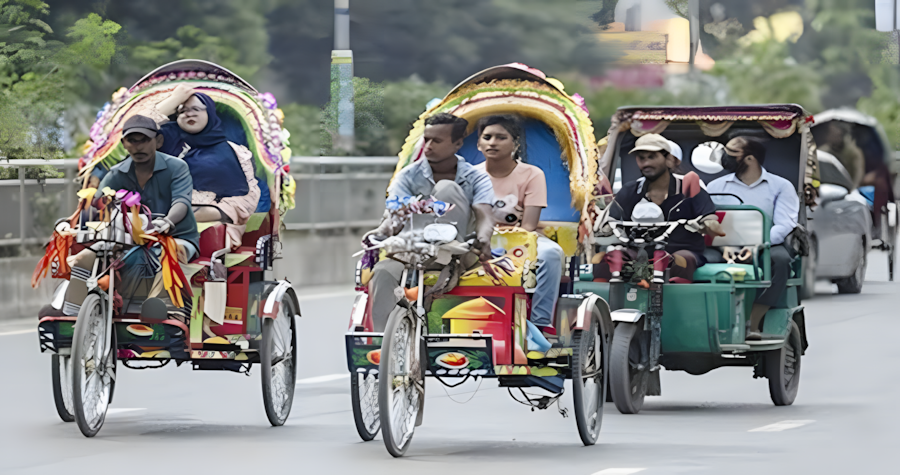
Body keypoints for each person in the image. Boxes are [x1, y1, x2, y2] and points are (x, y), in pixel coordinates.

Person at [366, 113, 496, 332]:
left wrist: (483, 238)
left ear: (457, 143)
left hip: (458, 251)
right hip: (411, 252)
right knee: (383, 272)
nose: (429, 146)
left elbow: (484, 214)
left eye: (437, 141)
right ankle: (383, 344)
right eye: (426, 139)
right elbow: (394, 215)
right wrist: (379, 233)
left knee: (447, 188)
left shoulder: (476, 177)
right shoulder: (408, 176)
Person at [472, 114, 564, 338]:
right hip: (479, 239)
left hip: (520, 238)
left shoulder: (532, 174)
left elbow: (528, 226)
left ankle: (540, 325)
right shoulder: (470, 174)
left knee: (551, 254)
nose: (493, 142)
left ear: (515, 143)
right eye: (488, 137)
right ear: (479, 143)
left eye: (501, 137)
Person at [707, 136, 800, 341]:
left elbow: (784, 224)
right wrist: (724, 246)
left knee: (782, 261)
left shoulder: (781, 186)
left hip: (765, 243)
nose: (725, 158)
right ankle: (709, 320)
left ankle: (754, 320)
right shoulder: (715, 186)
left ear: (749, 159)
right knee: (699, 259)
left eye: (732, 153)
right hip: (723, 244)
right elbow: (707, 221)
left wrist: (757, 244)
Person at [600, 134, 724, 283]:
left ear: (669, 160)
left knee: (682, 260)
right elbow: (611, 218)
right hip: (639, 251)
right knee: (606, 259)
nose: (646, 163)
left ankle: (676, 304)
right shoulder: (630, 190)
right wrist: (601, 225)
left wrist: (709, 223)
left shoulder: (689, 187)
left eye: (652, 157)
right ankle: (607, 303)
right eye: (641, 158)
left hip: (679, 251)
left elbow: (708, 216)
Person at [152, 85, 260, 250]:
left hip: (211, 229)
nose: (189, 114)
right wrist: (174, 99)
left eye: (196, 109)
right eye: (182, 110)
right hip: (156, 225)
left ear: (209, 112)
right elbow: (136, 131)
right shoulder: (163, 142)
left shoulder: (234, 152)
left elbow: (247, 199)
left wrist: (207, 213)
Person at [97, 115, 200, 262]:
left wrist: (167, 222)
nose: (139, 146)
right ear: (124, 143)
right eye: (132, 140)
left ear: (158, 141)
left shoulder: (177, 167)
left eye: (145, 140)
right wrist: (70, 221)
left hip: (176, 237)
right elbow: (96, 204)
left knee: (160, 256)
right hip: (129, 241)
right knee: (86, 258)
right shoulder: (117, 173)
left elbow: (181, 202)